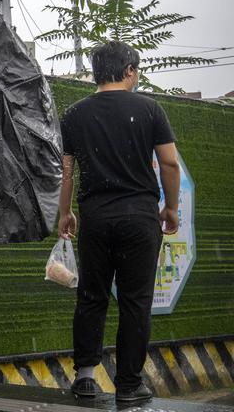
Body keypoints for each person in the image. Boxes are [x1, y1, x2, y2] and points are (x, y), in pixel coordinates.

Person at [59, 41, 180, 405]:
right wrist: (170, 208)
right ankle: (128, 384)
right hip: (140, 216)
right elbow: (170, 164)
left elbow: (66, 170)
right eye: (137, 70)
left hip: (96, 216)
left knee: (91, 295)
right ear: (129, 71)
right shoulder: (150, 108)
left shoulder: (75, 113)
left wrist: (65, 212)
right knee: (135, 300)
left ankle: (84, 377)